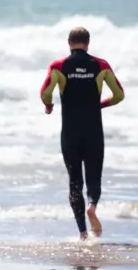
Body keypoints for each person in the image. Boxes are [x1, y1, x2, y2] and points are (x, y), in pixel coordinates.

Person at [40, 27, 124, 240]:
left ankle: (83, 233)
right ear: (88, 43)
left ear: (69, 42)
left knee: (74, 181)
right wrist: (100, 105)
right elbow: (119, 95)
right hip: (94, 131)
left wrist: (49, 106)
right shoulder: (100, 65)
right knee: (94, 177)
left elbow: (45, 93)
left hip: (70, 132)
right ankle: (92, 206)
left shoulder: (58, 66)